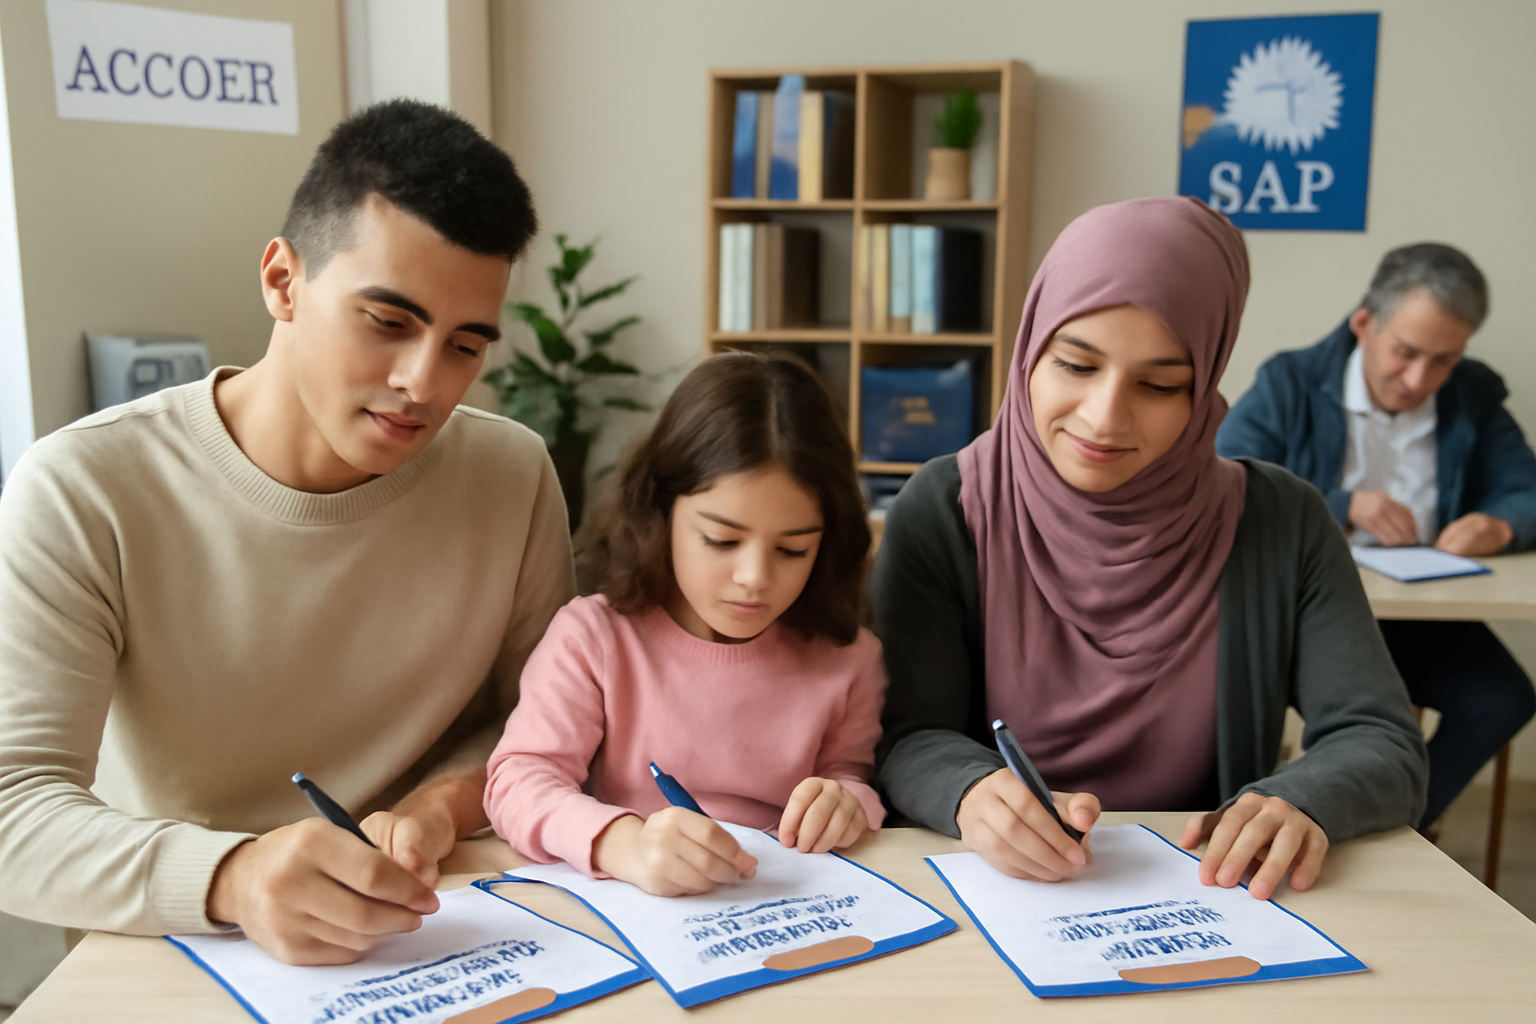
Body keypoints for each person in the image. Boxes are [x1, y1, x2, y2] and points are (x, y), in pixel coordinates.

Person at [0, 100, 575, 964]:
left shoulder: (514, 473)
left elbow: (548, 726)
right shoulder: (85, 488)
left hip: (444, 926)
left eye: (466, 344)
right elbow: (13, 810)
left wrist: (440, 805)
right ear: (282, 281)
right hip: (182, 949)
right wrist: (233, 876)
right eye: (388, 322)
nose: (423, 382)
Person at [874, 197, 1427, 902]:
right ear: (1028, 352)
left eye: (1160, 384)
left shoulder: (1282, 520)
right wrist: (970, 789)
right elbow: (905, 731)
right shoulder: (946, 508)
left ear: (1204, 392)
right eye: (1075, 365)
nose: (1104, 418)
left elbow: (1381, 737)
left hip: (1209, 899)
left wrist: (1302, 799)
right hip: (993, 890)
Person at [485, 351, 886, 896]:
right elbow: (518, 779)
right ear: (661, 511)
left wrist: (847, 803)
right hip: (635, 909)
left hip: (786, 909)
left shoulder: (849, 656)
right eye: (722, 541)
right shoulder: (595, 636)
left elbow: (851, 775)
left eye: (793, 550)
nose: (753, 578)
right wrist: (623, 843)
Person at [1216, 243, 1536, 830]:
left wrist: (1499, 523)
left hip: (1421, 616)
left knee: (1503, 697)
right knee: (1354, 721)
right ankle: (1289, 812)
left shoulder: (1473, 393)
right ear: (1364, 324)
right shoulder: (1291, 381)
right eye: (1406, 353)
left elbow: (1527, 490)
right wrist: (1340, 505)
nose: (1419, 379)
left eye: (1443, 360)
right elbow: (1226, 474)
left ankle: (1389, 826)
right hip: (1308, 616)